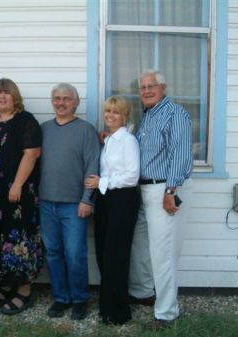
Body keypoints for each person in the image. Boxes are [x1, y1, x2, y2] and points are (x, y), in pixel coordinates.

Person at [128, 70, 193, 330]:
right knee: (142, 247)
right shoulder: (147, 117)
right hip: (143, 191)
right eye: (142, 87)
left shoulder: (174, 114)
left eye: (151, 86)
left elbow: (181, 153)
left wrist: (170, 192)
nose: (145, 91)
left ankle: (166, 313)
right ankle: (144, 293)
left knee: (163, 253)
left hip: (164, 190)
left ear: (163, 88)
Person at [0, 78, 42, 315]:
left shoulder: (26, 121)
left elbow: (31, 154)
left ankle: (23, 289)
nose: (2, 97)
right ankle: (6, 282)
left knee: (20, 236)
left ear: (15, 97)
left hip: (19, 192)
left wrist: (17, 184)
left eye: (7, 94)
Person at [39, 83, 99, 320]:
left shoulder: (86, 130)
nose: (61, 102)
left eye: (66, 98)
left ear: (76, 103)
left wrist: (87, 200)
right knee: (53, 253)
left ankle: (80, 299)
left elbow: (92, 166)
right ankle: (61, 298)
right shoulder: (43, 129)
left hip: (74, 204)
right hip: (45, 202)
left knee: (75, 254)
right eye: (56, 98)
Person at [85, 96, 140, 325]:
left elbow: (132, 175)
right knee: (103, 253)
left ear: (125, 116)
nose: (111, 116)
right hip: (107, 200)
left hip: (123, 200)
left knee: (116, 255)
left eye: (116, 112)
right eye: (108, 112)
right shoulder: (108, 140)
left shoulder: (128, 140)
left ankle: (118, 311)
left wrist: (101, 183)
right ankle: (107, 306)